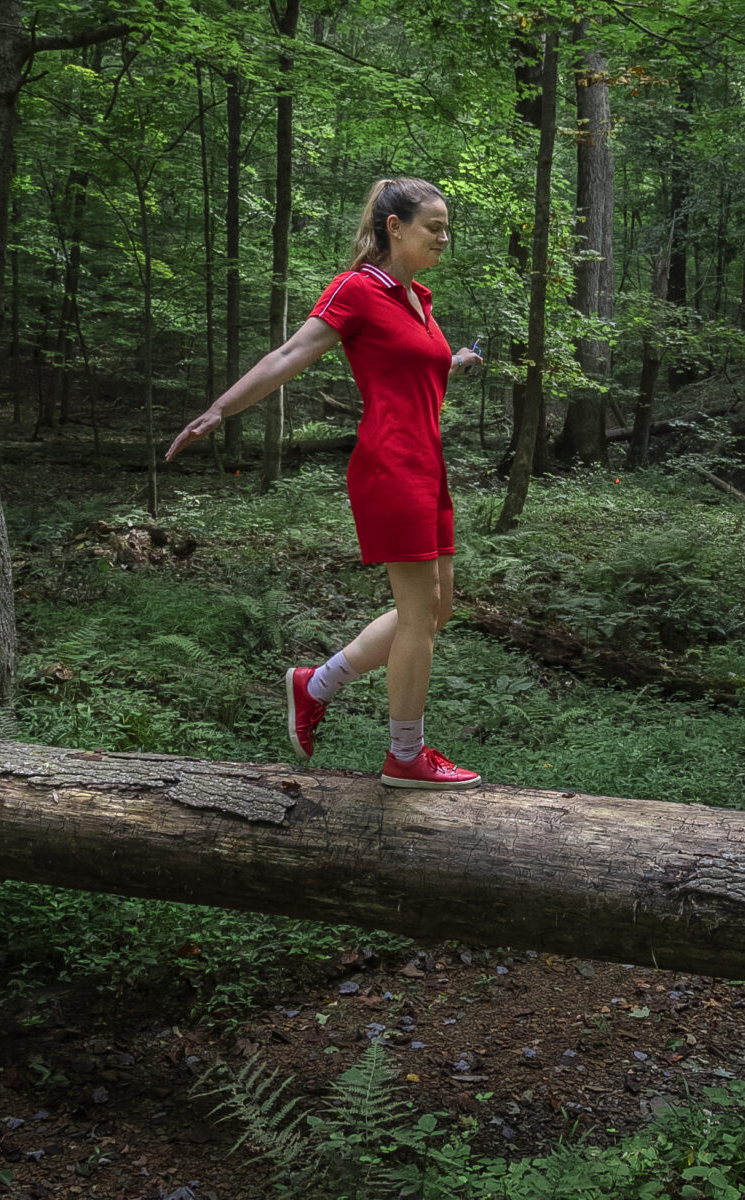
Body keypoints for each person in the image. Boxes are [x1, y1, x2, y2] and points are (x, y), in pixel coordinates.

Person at [165, 177, 485, 790]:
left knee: (437, 609)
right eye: (434, 227)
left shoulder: (419, 298)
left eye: (447, 227)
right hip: (391, 467)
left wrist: (456, 360)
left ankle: (315, 685)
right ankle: (405, 756)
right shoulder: (358, 289)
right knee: (419, 618)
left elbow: (410, 363)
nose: (445, 237)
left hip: (428, 467)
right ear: (395, 227)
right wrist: (219, 410)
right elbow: (289, 355)